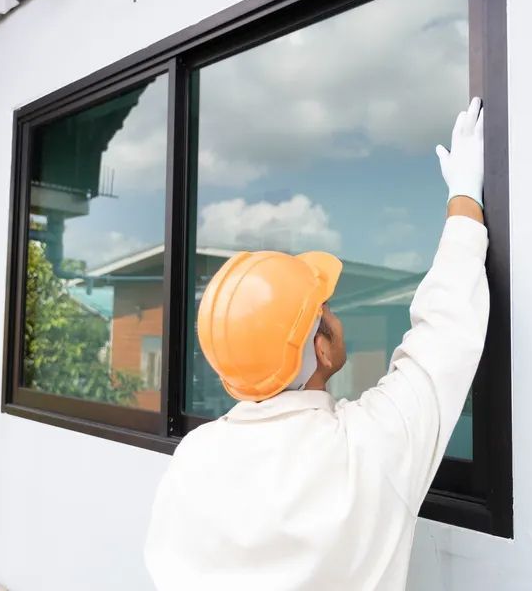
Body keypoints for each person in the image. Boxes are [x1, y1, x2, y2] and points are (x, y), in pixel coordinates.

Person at [144, 98, 489, 591]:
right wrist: (464, 200)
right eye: (327, 309)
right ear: (322, 348)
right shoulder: (362, 451)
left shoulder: (193, 459)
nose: (336, 316)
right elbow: (445, 332)